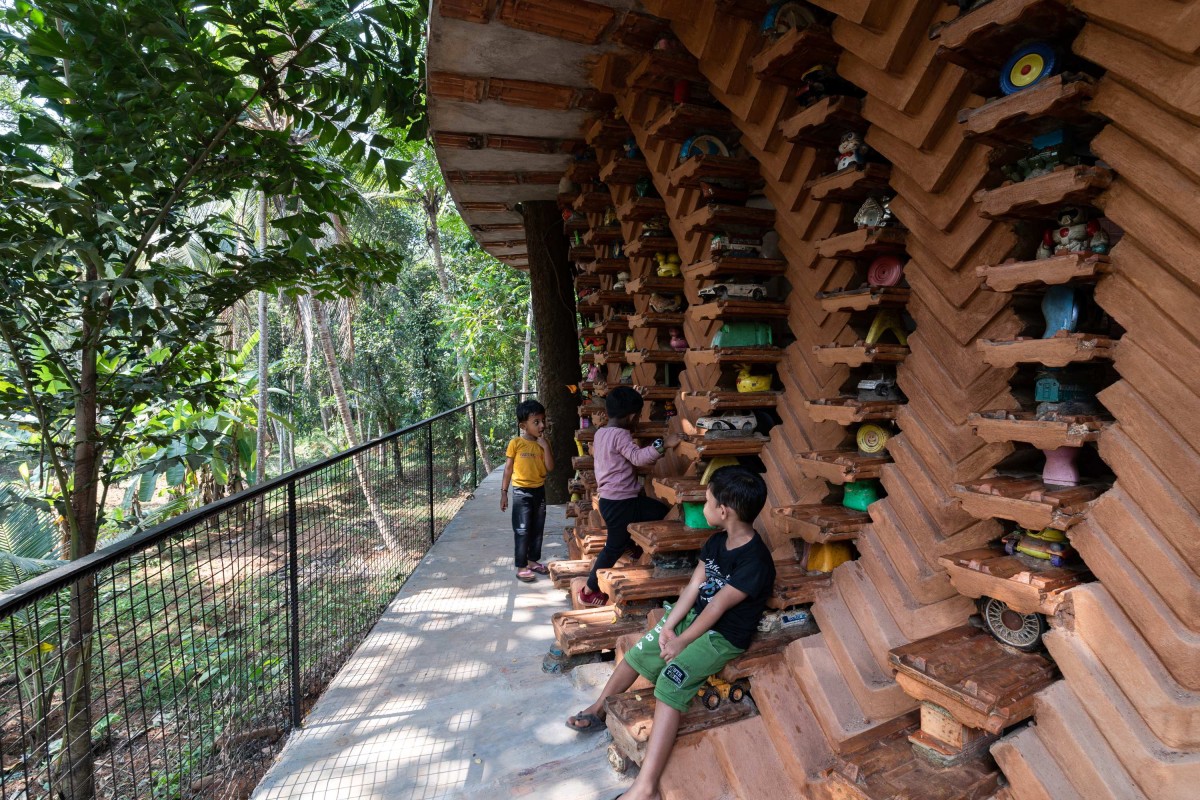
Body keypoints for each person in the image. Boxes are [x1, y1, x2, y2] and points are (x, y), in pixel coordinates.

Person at [565, 466, 777, 800]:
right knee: (639, 651)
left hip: (722, 637)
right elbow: (694, 587)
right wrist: (668, 626)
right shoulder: (716, 542)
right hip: (696, 618)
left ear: (724, 511)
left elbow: (718, 607)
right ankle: (599, 706)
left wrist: (682, 640)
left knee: (670, 681)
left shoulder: (756, 562)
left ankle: (646, 787)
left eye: (707, 502)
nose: (703, 507)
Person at [579, 386, 679, 607]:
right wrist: (663, 444)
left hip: (610, 501)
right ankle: (588, 590)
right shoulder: (621, 434)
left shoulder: (601, 433)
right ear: (632, 416)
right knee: (613, 547)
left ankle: (627, 541)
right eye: (639, 416)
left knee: (650, 515)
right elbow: (637, 458)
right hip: (621, 503)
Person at [500, 399, 554, 582]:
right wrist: (503, 492)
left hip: (539, 492)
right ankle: (521, 566)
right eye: (536, 422)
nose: (542, 425)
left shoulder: (542, 444)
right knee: (522, 530)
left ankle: (532, 561)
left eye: (543, 420)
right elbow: (508, 469)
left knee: (537, 529)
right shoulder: (515, 443)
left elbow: (550, 467)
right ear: (523, 425)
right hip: (521, 493)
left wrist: (546, 447)